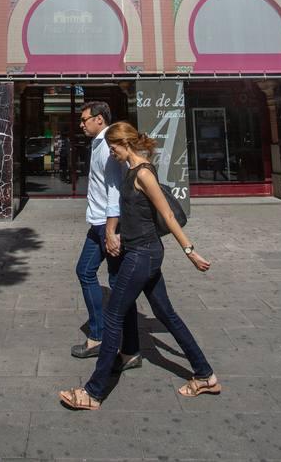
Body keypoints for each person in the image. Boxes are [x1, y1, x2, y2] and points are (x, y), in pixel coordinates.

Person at [60, 121, 220, 410]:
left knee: (113, 316)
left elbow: (168, 216)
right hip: (140, 251)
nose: (111, 154)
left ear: (125, 144)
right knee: (166, 314)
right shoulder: (131, 170)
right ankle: (205, 375)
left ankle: (93, 393)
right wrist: (118, 233)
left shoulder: (144, 173)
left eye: (113, 148)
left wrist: (190, 251)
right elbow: (133, 212)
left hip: (143, 255)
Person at [71, 102, 139, 361]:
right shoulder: (99, 143)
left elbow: (114, 190)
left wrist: (111, 231)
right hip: (98, 223)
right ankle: (98, 334)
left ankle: (129, 348)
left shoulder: (109, 146)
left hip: (109, 224)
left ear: (99, 119)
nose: (81, 124)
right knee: (85, 271)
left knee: (117, 284)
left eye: (84, 119)